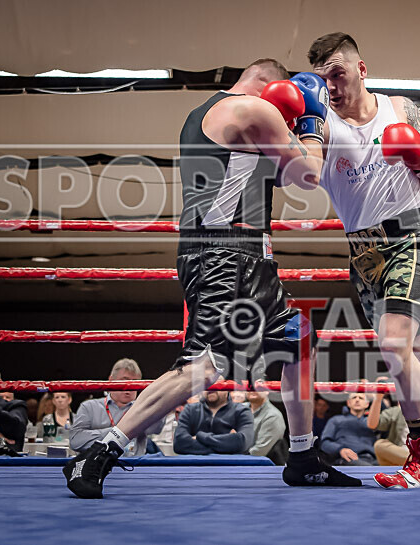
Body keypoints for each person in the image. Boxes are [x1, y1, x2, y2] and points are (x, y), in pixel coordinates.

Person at [64, 58, 360, 499]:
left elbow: (277, 173)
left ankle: (302, 457)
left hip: (245, 257)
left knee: (298, 338)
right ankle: (100, 450)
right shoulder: (254, 108)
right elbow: (308, 174)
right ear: (271, 85)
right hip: (224, 255)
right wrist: (312, 118)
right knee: (202, 367)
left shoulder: (203, 115)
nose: (288, 114)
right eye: (287, 102)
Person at [307, 33, 420, 489]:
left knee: (393, 347)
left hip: (411, 236)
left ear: (361, 68)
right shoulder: (320, 121)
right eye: (322, 77)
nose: (330, 85)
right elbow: (305, 175)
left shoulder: (400, 108)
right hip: (364, 254)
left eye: (337, 72)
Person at [69, 358, 164, 454]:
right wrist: (118, 432)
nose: (129, 387)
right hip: (96, 465)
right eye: (124, 381)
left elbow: (156, 428)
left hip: (132, 466)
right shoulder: (89, 407)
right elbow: (75, 441)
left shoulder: (143, 409)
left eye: (135, 382)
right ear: (111, 380)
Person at [173, 389, 254, 455]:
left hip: (233, 468)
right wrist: (228, 445)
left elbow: (243, 443)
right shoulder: (189, 410)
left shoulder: (242, 411)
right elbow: (179, 444)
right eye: (208, 384)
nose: (211, 388)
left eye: (217, 384)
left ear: (227, 389)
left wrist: (200, 436)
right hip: (195, 467)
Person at [320, 392, 378, 465]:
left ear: (367, 404)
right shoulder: (336, 420)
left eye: (361, 398)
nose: (357, 400)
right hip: (348, 458)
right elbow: (324, 443)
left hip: (372, 459)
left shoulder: (372, 423)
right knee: (369, 469)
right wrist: (340, 449)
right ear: (348, 403)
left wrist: (375, 396)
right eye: (354, 397)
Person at [366, 377, 409, 466]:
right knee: (380, 445)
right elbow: (372, 425)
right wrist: (377, 399)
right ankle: (417, 462)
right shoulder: (397, 411)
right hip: (400, 456)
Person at [247, 388, 287, 458]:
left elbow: (259, 451)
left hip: (261, 466)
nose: (253, 389)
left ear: (266, 391)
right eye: (250, 386)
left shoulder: (273, 416)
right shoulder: (240, 409)